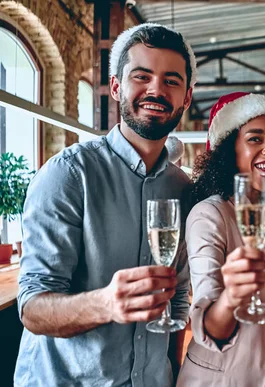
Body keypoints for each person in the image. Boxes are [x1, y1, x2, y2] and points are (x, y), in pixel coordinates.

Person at [14, 23, 195, 386]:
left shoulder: (183, 187)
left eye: (171, 81)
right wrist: (107, 304)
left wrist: (172, 374)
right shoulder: (68, 174)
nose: (156, 90)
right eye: (142, 76)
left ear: (187, 97)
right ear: (116, 87)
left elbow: (176, 304)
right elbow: (32, 309)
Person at [177, 92, 265, 387]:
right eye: (255, 139)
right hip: (217, 380)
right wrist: (232, 297)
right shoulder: (208, 215)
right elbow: (207, 325)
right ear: (229, 151)